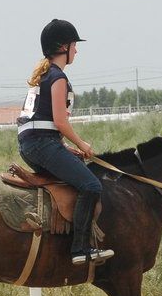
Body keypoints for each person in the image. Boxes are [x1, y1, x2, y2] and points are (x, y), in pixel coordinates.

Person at [17, 19, 114, 265]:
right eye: (74, 45)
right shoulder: (57, 77)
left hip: (32, 145)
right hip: (42, 145)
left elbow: (45, 122)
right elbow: (60, 122)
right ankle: (80, 249)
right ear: (63, 47)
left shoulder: (43, 75)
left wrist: (65, 148)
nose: (77, 50)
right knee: (91, 186)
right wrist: (83, 145)